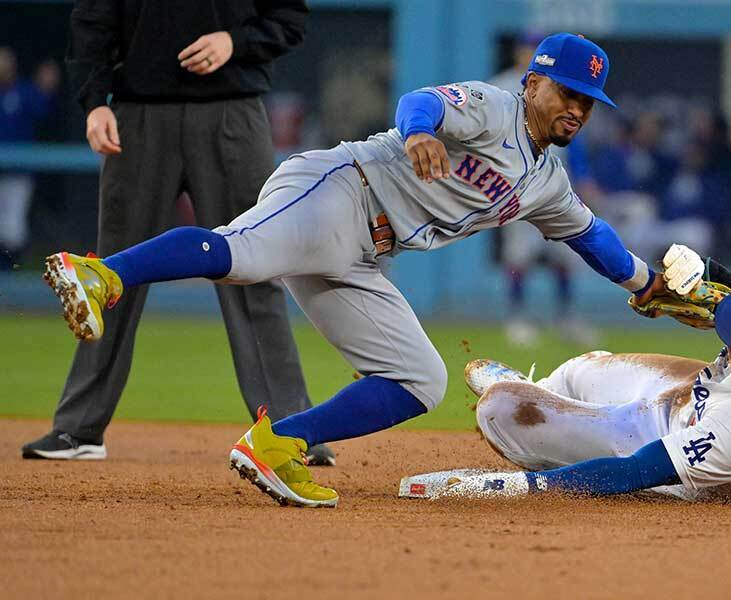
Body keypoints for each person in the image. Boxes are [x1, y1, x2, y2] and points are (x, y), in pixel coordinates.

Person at [42, 33, 669, 507]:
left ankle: (276, 443)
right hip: (342, 190)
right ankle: (101, 274)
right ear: (534, 83)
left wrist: (646, 284)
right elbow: (421, 101)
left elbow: (593, 237)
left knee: (420, 379)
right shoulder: (494, 107)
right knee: (241, 255)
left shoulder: (546, 182)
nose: (578, 111)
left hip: (365, 253)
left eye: (589, 103)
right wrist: (420, 132)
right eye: (568, 93)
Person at [23, 0, 335, 466]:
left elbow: (289, 19)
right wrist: (94, 103)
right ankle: (78, 428)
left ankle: (289, 429)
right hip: (138, 116)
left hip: (233, 111)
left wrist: (236, 41)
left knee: (255, 267)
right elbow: (92, 20)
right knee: (109, 274)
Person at [439, 249, 731, 502]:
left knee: (502, 409)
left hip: (682, 451)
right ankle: (549, 395)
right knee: (584, 368)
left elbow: (633, 471)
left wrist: (524, 489)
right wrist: (696, 278)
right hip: (697, 392)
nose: (727, 342)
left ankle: (541, 419)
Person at [491, 32, 596, 346]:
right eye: (525, 49)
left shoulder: (561, 88)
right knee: (519, 256)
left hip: (554, 181)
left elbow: (573, 142)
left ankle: (566, 316)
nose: (528, 54)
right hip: (513, 183)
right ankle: (517, 317)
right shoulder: (500, 86)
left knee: (564, 253)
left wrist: (583, 177)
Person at [0, 48, 60, 269]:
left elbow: (43, 111)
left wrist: (47, 89)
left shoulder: (23, 92)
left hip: (18, 173)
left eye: (6, 63)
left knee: (12, 230)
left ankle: (10, 276)